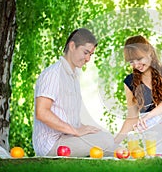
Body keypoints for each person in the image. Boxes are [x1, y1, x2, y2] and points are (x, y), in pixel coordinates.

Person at [32, 28, 115, 157]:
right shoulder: (53, 74)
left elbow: (69, 118)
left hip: (68, 137)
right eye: (86, 52)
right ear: (72, 46)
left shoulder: (73, 76)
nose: (88, 59)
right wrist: (75, 131)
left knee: (109, 140)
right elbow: (42, 112)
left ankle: (140, 162)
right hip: (51, 144)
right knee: (106, 141)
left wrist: (84, 128)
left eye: (91, 54)